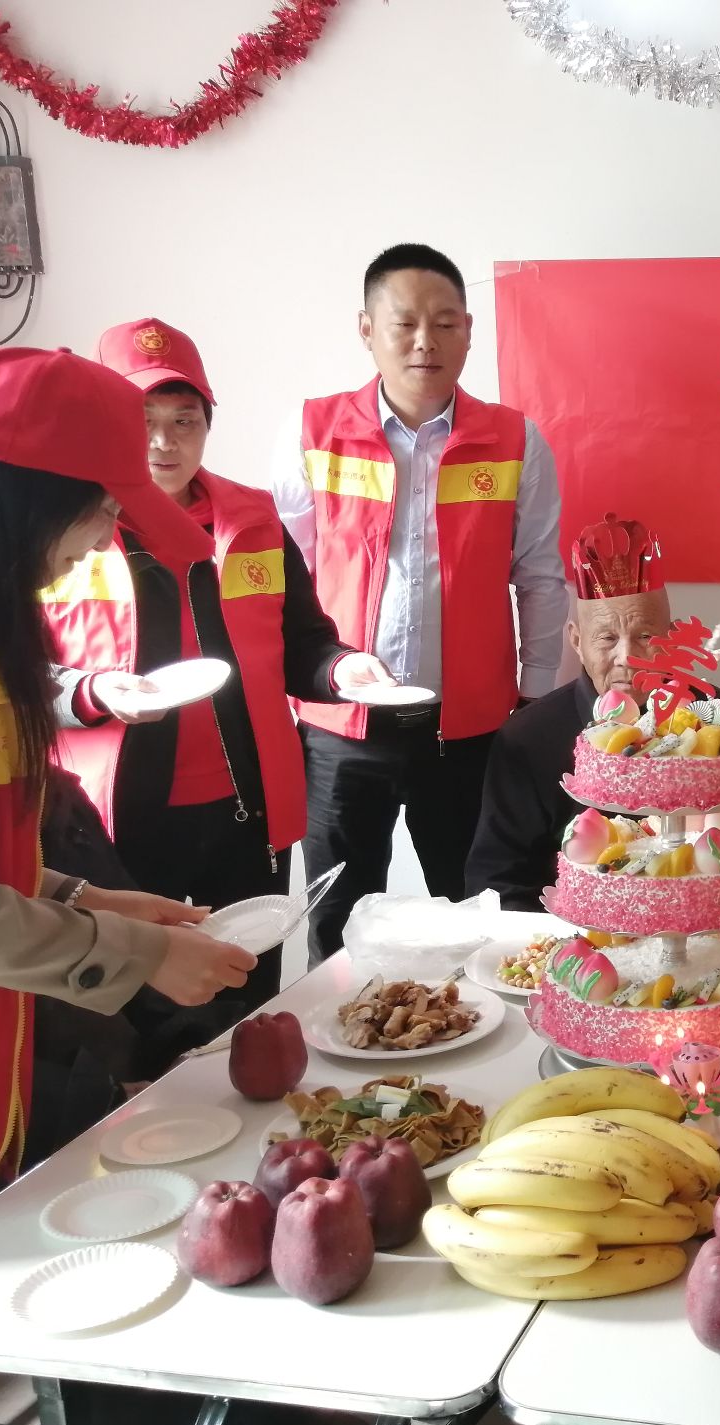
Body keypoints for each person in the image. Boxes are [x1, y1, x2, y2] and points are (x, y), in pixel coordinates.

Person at [0, 348, 255, 1425]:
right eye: (96, 513)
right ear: (25, 495)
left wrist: (89, 896)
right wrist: (135, 957)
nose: (101, 541)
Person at [45, 318, 391, 1021]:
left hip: (244, 817)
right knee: (134, 1014)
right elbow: (17, 674)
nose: (163, 442)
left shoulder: (252, 520)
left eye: (185, 420)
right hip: (116, 821)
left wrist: (343, 669)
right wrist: (91, 690)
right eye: (143, 420)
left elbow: (304, 645)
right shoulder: (65, 530)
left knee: (242, 999)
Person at [273, 243, 571, 960]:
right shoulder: (313, 433)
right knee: (337, 926)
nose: (424, 342)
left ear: (468, 331)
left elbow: (538, 575)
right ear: (367, 329)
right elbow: (285, 579)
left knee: (481, 915)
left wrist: (533, 697)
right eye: (404, 323)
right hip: (342, 729)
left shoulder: (513, 440)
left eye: (444, 323)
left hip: (467, 730)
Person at [467, 512, 671, 909]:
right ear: (576, 641)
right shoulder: (528, 738)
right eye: (607, 638)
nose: (626, 657)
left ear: (672, 635)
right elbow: (497, 881)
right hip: (562, 936)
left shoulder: (719, 720)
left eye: (645, 636)